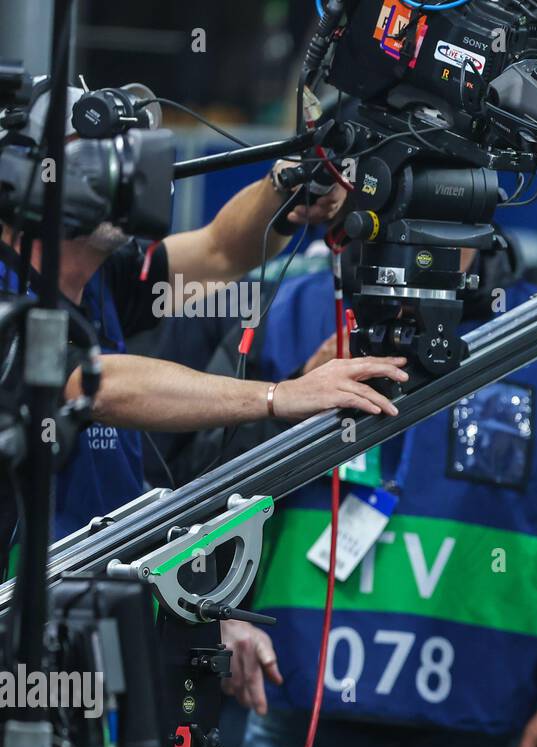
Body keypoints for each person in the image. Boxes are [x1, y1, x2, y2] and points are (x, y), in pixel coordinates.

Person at [225, 234, 537, 747]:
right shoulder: (288, 306)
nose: (427, 242)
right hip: (301, 711)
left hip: (479, 728)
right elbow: (202, 483)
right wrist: (284, 403)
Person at [0, 85, 405, 558]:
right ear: (21, 171)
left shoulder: (101, 279)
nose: (125, 170)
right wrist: (279, 397)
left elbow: (220, 250)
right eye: (94, 153)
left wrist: (284, 188)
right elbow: (98, 387)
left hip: (91, 598)